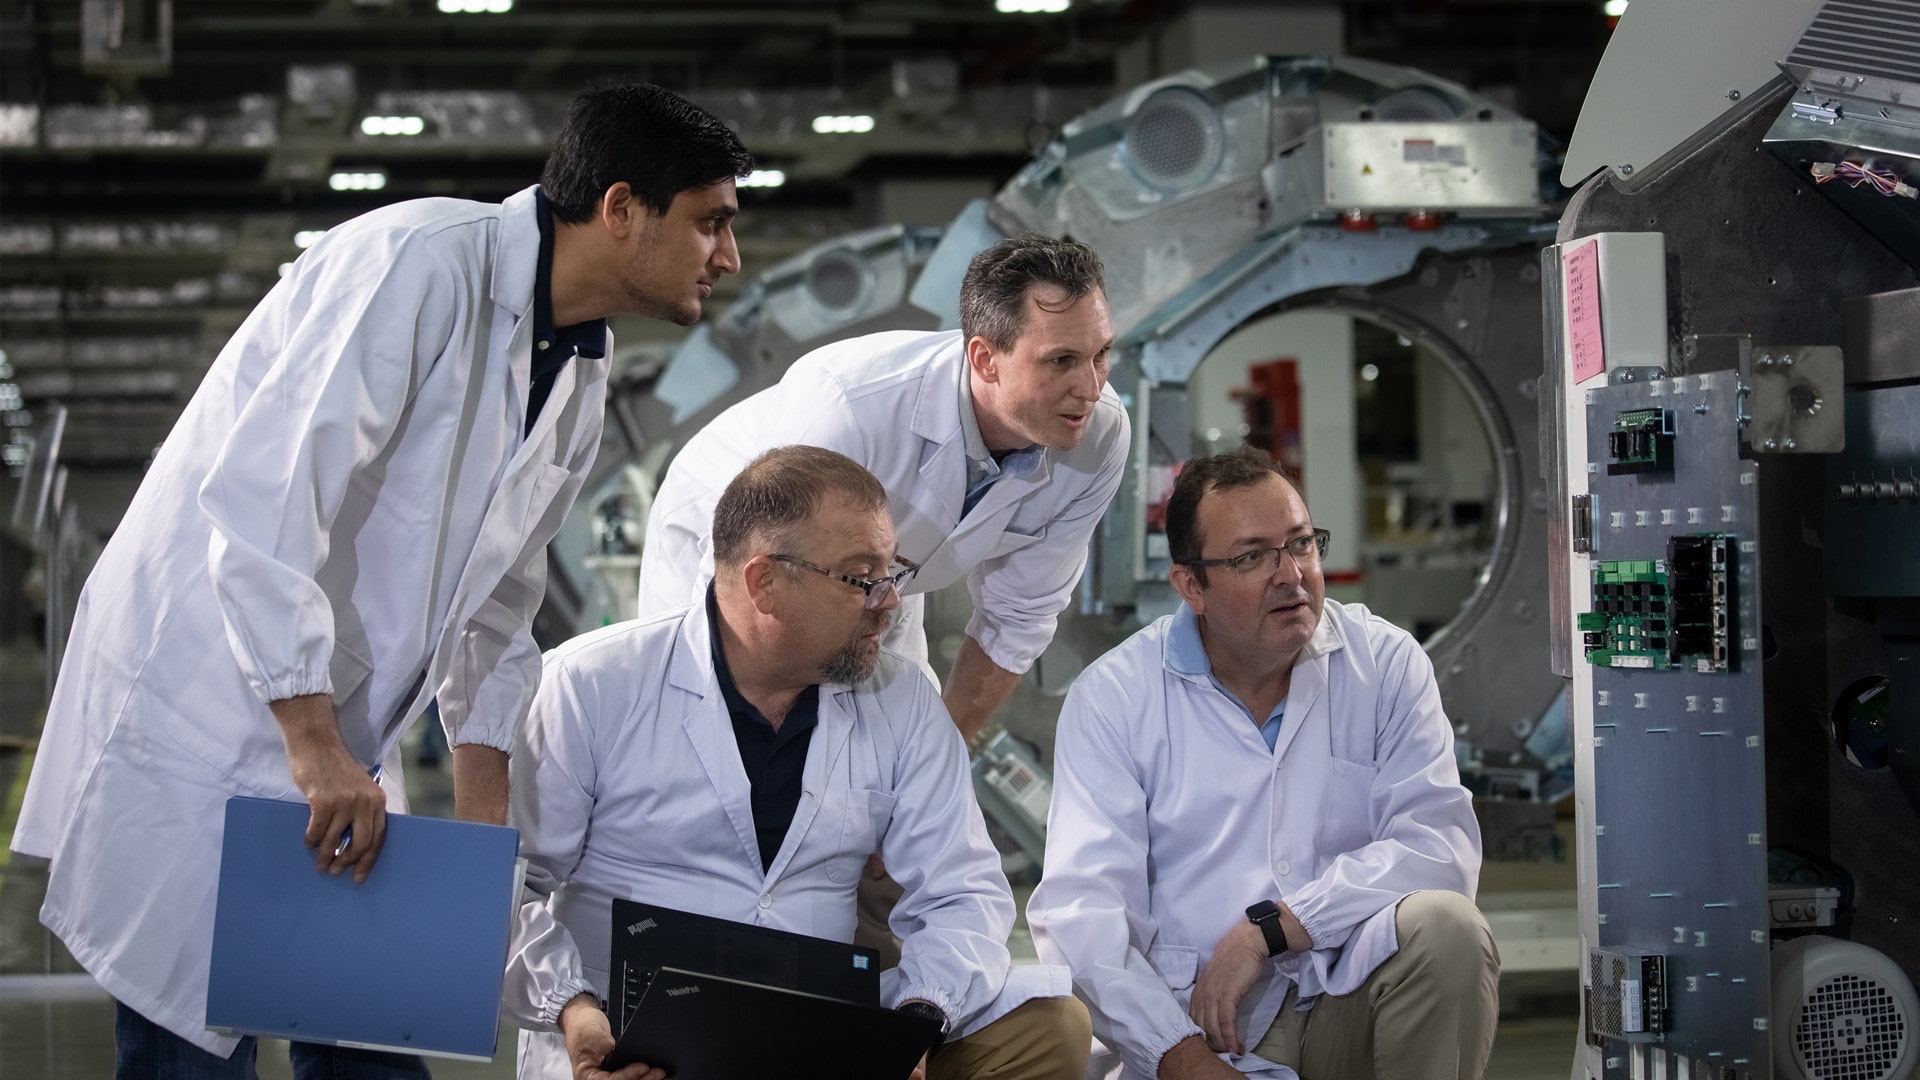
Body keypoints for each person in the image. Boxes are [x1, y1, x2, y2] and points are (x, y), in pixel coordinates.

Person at [9, 82, 750, 1077]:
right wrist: (313, 744)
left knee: (367, 1027)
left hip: (337, 724)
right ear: (621, 208)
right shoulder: (418, 263)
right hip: (214, 695)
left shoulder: (580, 364)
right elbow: (268, 507)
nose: (729, 256)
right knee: (188, 1046)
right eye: (711, 222)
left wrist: (483, 833)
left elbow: (499, 604)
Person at [505, 446, 1089, 1080]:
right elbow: (507, 891)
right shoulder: (588, 686)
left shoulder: (902, 700)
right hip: (636, 1044)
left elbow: (962, 893)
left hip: (820, 1035)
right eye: (861, 577)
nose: (891, 601)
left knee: (1052, 1028)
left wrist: (917, 1022)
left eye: (893, 571)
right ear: (765, 584)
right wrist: (573, 1008)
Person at [1027, 444, 1498, 1080]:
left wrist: (1274, 928)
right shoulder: (1116, 698)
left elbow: (1439, 847)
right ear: (1191, 586)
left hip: (1343, 996)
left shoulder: (1385, 664)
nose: (1291, 575)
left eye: (1301, 544)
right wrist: (1181, 1057)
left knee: (1447, 929)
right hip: (1203, 1027)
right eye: (1251, 557)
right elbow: (1084, 917)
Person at [636, 232, 1129, 746]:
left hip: (883, 578)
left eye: (1101, 354)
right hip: (731, 548)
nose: (1090, 388)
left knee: (902, 747)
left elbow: (1019, 616)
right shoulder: (848, 407)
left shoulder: (1100, 434)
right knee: (708, 733)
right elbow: (764, 595)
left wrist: (939, 756)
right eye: (1060, 361)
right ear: (985, 359)